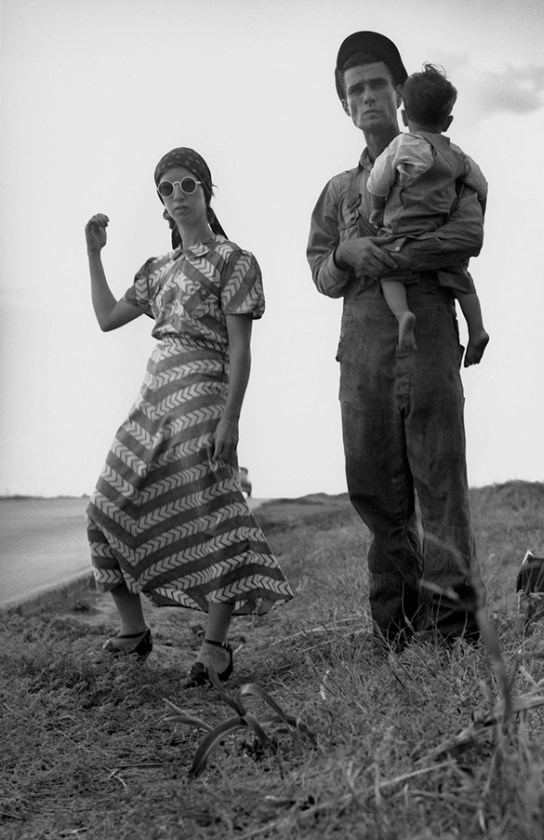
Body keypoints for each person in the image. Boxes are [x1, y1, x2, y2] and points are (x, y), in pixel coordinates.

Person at [84, 147, 293, 683]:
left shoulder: (234, 261)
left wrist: (231, 419)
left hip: (203, 398)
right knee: (106, 505)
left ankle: (214, 648)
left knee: (216, 513)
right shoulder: (158, 270)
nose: (177, 196)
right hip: (152, 402)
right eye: (167, 189)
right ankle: (134, 631)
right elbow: (107, 317)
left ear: (206, 190)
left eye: (187, 185)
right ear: (160, 202)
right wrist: (93, 254)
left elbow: (241, 349)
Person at [307, 30, 485, 652]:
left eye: (377, 85)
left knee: (441, 482)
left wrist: (391, 252)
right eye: (354, 90)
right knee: (374, 488)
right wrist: (346, 255)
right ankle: (396, 627)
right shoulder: (338, 190)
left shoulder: (447, 163)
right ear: (345, 105)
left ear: (401, 93)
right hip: (362, 346)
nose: (367, 97)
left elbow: (468, 237)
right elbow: (319, 271)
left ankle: (452, 631)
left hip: (430, 328)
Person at [366, 62, 489, 362]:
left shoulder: (401, 146)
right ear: (447, 122)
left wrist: (377, 210)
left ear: (404, 116)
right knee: (460, 277)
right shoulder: (457, 155)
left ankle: (403, 314)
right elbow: (482, 186)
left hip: (403, 231)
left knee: (387, 270)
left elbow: (377, 182)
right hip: (440, 231)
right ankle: (477, 329)